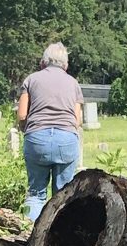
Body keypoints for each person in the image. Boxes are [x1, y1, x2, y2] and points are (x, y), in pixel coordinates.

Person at [17, 42, 83, 222]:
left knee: (36, 194)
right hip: (66, 140)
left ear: (43, 62)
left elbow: (22, 115)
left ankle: (28, 237)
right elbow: (77, 121)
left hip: (37, 138)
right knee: (63, 196)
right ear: (66, 65)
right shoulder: (74, 83)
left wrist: (27, 130)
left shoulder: (31, 80)